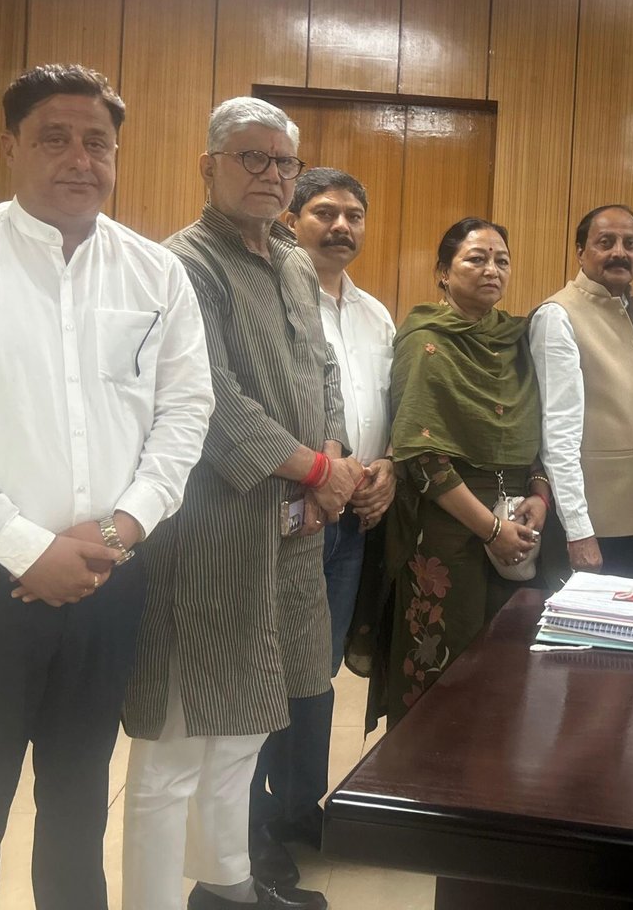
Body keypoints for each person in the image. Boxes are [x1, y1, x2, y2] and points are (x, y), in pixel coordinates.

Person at [0, 64, 214, 910]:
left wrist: (119, 530)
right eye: (54, 138)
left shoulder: (155, 274)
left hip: (108, 581)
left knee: (79, 804)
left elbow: (186, 413)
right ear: (10, 148)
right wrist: (27, 548)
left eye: (98, 142)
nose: (79, 159)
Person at [121, 98, 364, 910]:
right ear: (209, 166)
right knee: (176, 743)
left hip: (291, 532)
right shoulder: (183, 264)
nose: (270, 174)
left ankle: (225, 888)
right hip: (208, 533)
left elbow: (322, 371)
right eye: (250, 158)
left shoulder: (292, 261)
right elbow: (212, 402)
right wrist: (317, 470)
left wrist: (330, 466)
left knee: (246, 725)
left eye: (283, 162)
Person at [350, 217, 549, 730]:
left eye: (501, 260)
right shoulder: (425, 341)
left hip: (517, 518)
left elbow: (538, 431)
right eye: (476, 259)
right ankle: (424, 770)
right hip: (446, 524)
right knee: (444, 663)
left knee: (508, 662)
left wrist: (539, 494)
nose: (491, 270)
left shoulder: (519, 339)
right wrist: (491, 528)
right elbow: (421, 456)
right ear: (443, 271)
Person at [249, 169, 396, 862]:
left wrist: (387, 466)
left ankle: (299, 806)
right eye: (325, 212)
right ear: (292, 219)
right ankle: (250, 820)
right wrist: (320, 476)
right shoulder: (273, 301)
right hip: (285, 510)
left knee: (317, 670)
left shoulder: (376, 315)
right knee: (267, 668)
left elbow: (387, 409)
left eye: (354, 215)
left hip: (352, 518)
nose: (341, 226)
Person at [529, 204, 633, 578]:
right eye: (606, 242)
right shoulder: (558, 316)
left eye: (630, 244)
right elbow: (558, 436)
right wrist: (579, 532)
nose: (620, 252)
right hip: (590, 529)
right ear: (580, 251)